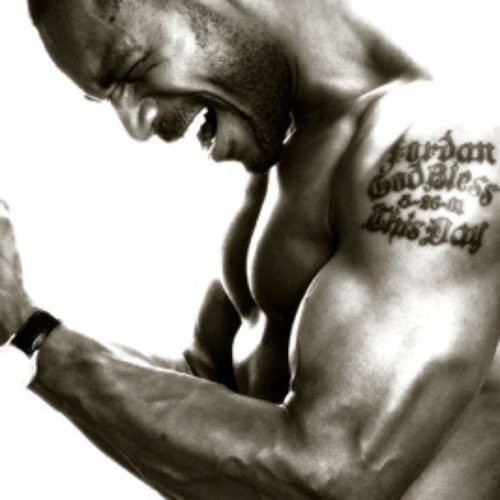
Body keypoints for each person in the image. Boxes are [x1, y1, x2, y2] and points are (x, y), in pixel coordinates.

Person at [1, 0, 500, 498]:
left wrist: (34, 335)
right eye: (107, 98)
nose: (136, 125)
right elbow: (209, 394)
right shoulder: (282, 151)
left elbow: (333, 471)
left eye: (132, 69)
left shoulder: (435, 154)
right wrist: (16, 313)